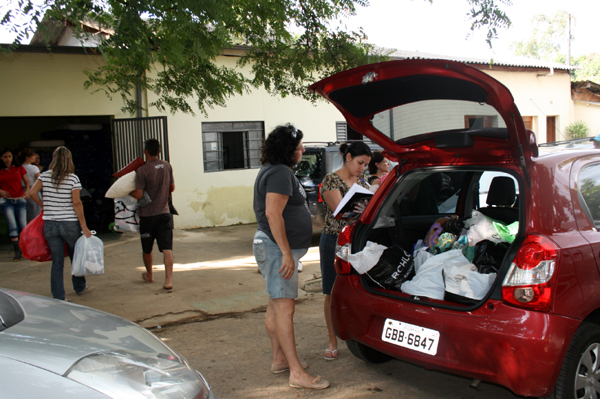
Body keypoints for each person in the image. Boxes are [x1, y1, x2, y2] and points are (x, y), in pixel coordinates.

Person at [253, 124, 329, 390]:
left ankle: (279, 359)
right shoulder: (280, 173)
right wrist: (286, 253)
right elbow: (273, 214)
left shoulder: (274, 170)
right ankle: (296, 373)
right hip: (276, 249)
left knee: (276, 306)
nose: (303, 150)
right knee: (285, 309)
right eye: (299, 148)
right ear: (288, 151)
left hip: (273, 247)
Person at [319, 141, 372, 360]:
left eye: (366, 165)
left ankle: (359, 335)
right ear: (348, 157)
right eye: (360, 163)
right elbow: (341, 212)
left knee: (359, 290)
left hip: (358, 242)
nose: (362, 168)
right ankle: (332, 339)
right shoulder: (331, 180)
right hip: (335, 240)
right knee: (332, 291)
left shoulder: (363, 182)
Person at [30, 146, 93, 300]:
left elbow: (32, 193)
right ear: (68, 160)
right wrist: (84, 226)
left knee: (57, 261)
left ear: (54, 159)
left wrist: (43, 205)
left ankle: (59, 296)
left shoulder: (44, 176)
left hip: (50, 224)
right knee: (75, 256)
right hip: (69, 224)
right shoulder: (72, 178)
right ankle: (79, 287)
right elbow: (77, 203)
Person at [130, 139, 175, 292]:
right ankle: (168, 280)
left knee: (147, 248)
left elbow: (138, 194)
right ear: (160, 151)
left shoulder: (142, 170)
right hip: (164, 213)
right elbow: (172, 188)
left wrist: (127, 192)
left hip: (148, 216)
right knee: (167, 248)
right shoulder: (167, 166)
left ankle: (150, 275)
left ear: (145, 152)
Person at [0, 148, 30, 261]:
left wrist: (27, 191)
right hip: (5, 200)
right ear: (1, 158)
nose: (8, 159)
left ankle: (24, 250)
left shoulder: (19, 168)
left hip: (20, 199)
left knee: (23, 225)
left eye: (9, 156)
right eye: (5, 157)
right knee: (12, 226)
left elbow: (26, 181)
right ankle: (17, 252)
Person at [18, 148, 42, 222]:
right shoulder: (34, 168)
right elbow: (40, 180)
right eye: (33, 156)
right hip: (33, 190)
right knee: (35, 212)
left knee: (25, 213)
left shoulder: (19, 167)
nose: (34, 157)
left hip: (21, 191)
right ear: (27, 158)